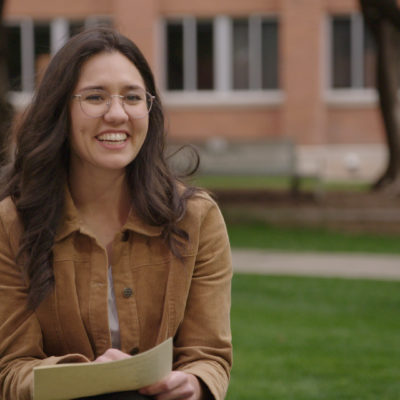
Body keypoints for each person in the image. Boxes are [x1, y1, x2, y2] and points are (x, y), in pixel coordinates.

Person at [0, 28, 232, 400]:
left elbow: (209, 356)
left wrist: (193, 384)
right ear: (60, 109)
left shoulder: (196, 218)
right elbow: (12, 369)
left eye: (132, 97)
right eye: (95, 97)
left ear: (148, 109)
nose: (117, 114)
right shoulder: (10, 224)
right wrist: (87, 377)